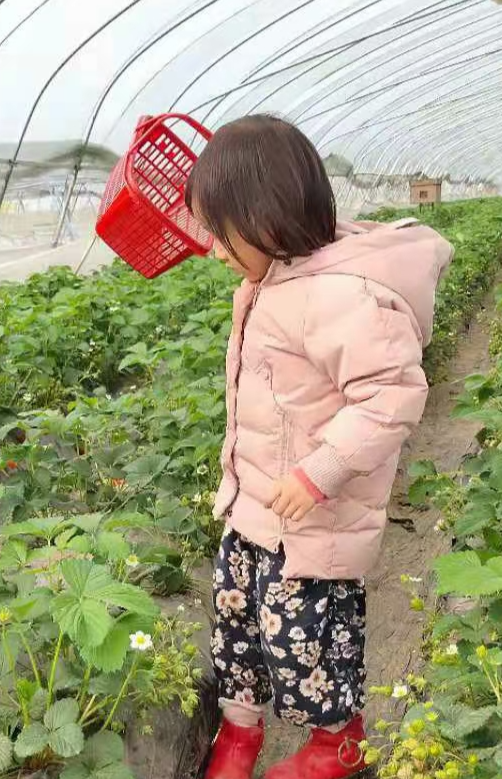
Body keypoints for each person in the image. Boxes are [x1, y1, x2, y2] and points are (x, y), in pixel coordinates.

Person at [185, 116, 452, 779]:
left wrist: (317, 473)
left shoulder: (344, 296)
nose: (212, 250)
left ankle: (338, 740)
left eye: (219, 233)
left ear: (265, 217)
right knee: (237, 624)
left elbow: (391, 395)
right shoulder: (271, 280)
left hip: (313, 522)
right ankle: (238, 732)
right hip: (253, 506)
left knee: (307, 640)